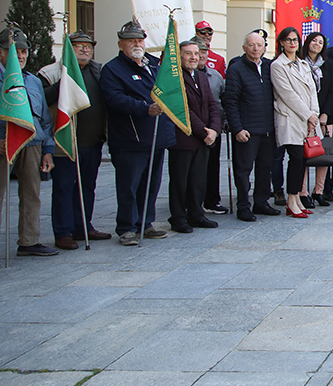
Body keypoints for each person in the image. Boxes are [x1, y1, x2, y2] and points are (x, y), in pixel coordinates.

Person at [100, 21, 175, 244]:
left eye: (140, 40)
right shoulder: (112, 69)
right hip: (129, 139)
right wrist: (145, 108)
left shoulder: (153, 64)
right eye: (131, 40)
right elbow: (115, 99)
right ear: (121, 44)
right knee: (128, 186)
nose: (136, 44)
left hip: (156, 137)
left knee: (151, 184)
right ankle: (126, 227)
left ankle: (146, 222)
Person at [42, 31, 109, 249]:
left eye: (88, 46)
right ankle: (63, 232)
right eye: (78, 46)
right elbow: (42, 101)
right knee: (63, 187)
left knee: (87, 186)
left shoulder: (98, 71)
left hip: (92, 141)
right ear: (68, 49)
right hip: (65, 143)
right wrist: (65, 79)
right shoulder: (50, 72)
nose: (84, 50)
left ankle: (83, 226)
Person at [0, 29, 56, 256]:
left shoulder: (32, 81)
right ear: (2, 53)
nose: (20, 56)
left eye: (23, 51)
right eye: (14, 51)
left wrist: (48, 150)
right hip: (3, 143)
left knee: (32, 194)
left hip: (32, 144)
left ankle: (29, 241)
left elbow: (43, 118)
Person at [166, 40, 221, 233]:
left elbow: (212, 105)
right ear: (179, 56)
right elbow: (183, 109)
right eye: (188, 53)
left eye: (196, 53)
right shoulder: (174, 78)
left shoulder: (201, 76)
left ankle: (196, 214)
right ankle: (178, 217)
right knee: (180, 180)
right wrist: (204, 131)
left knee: (199, 179)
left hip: (204, 138)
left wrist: (215, 129)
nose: (193, 57)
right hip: (184, 138)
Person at [223, 31, 279, 221]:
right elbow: (230, 101)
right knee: (243, 170)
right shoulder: (236, 69)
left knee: (265, 168)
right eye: (251, 45)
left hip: (268, 129)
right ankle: (243, 206)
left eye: (259, 45)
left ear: (264, 47)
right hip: (246, 130)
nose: (256, 48)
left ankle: (261, 202)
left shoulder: (270, 67)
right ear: (244, 48)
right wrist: (237, 128)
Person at [271, 27, 321, 218]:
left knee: (304, 160)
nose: (292, 43)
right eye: (288, 40)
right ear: (282, 43)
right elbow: (288, 95)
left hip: (308, 119)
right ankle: (291, 199)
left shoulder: (303, 64)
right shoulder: (277, 66)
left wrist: (314, 114)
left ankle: (298, 198)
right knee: (296, 158)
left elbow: (312, 91)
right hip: (290, 118)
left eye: (295, 40)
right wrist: (308, 114)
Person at [300, 31, 333, 207]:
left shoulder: (327, 65)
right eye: (314, 41)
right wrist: (308, 114)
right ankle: (303, 192)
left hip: (323, 118)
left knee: (324, 155)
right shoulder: (299, 63)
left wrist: (325, 114)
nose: (317, 44)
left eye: (320, 42)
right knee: (304, 154)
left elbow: (332, 91)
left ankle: (318, 190)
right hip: (304, 116)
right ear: (307, 42)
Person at [197, 36, 229, 215]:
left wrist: (223, 123)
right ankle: (192, 202)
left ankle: (211, 200)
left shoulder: (216, 76)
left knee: (212, 166)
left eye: (203, 51)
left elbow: (222, 101)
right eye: (196, 51)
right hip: (193, 129)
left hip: (214, 127)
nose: (200, 55)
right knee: (193, 168)